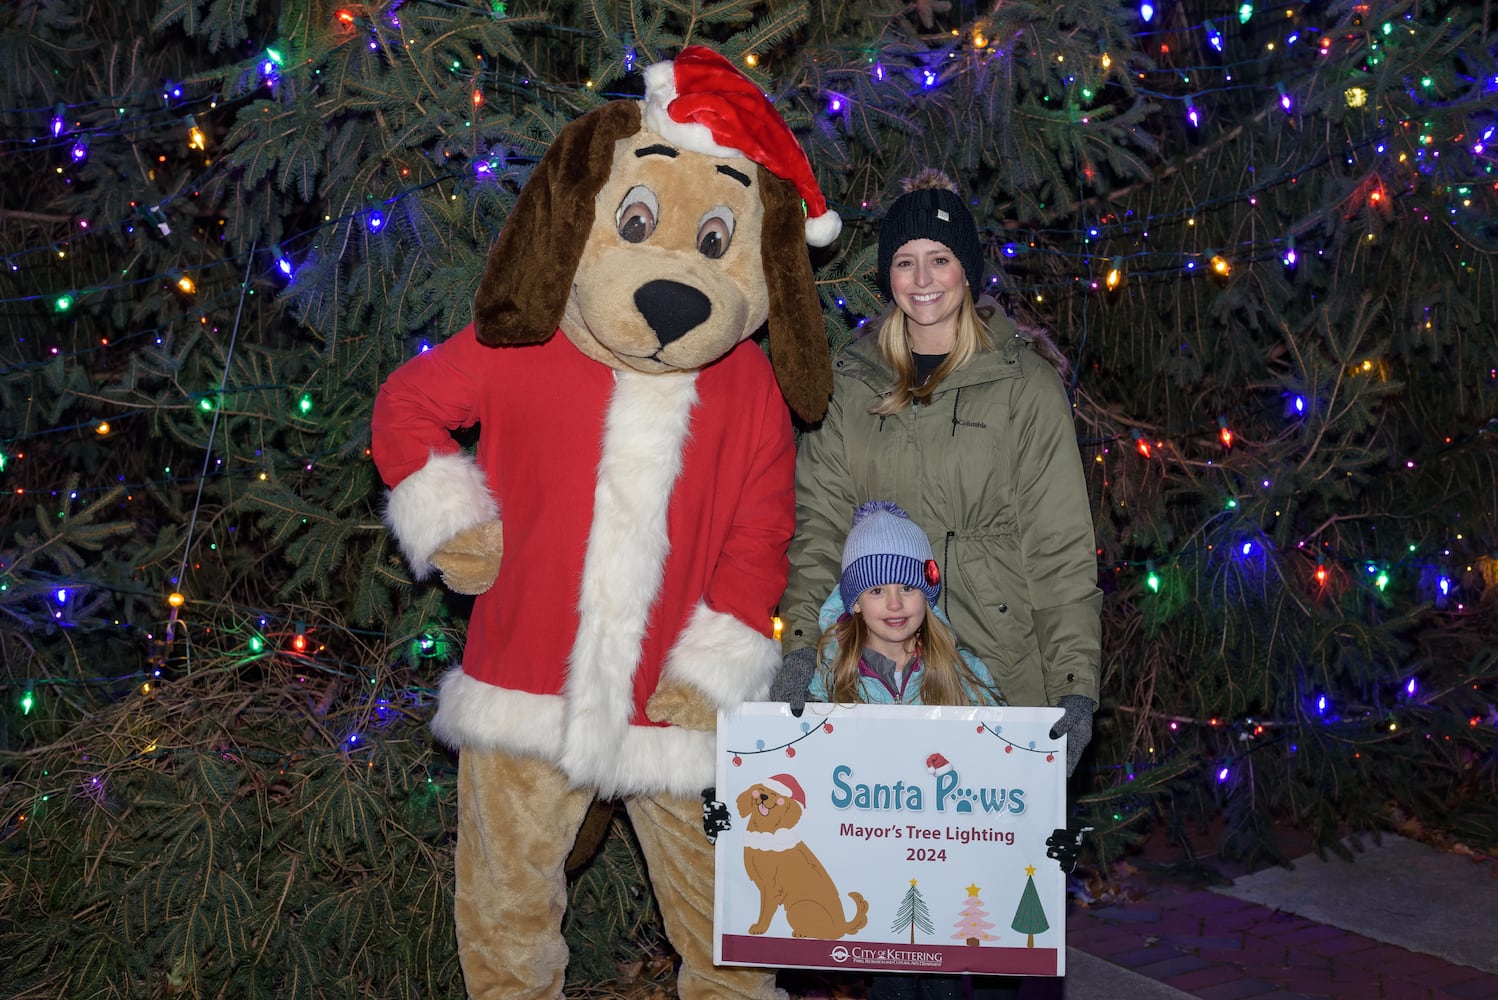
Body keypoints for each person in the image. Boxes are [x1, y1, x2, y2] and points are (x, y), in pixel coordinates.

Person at [776, 167, 1101, 1000]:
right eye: (905, 262)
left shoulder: (1022, 385)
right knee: (900, 930)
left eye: (941, 260)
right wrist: (798, 654)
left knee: (998, 929)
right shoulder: (853, 383)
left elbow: (1061, 544)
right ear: (886, 274)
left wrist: (1074, 686)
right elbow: (818, 524)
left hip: (999, 671)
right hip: (882, 678)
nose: (922, 281)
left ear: (969, 270)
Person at [812, 500, 1002, 709]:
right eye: (877, 591)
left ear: (926, 595)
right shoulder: (830, 673)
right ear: (856, 602)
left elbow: (996, 735)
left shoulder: (964, 672)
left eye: (907, 588)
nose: (895, 604)